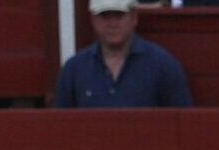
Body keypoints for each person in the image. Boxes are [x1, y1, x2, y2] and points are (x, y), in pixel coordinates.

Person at [54, 0, 193, 108]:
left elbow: (182, 125)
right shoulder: (73, 70)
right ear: (93, 20)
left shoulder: (164, 66)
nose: (112, 23)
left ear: (134, 18)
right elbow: (60, 127)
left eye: (119, 15)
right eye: (105, 16)